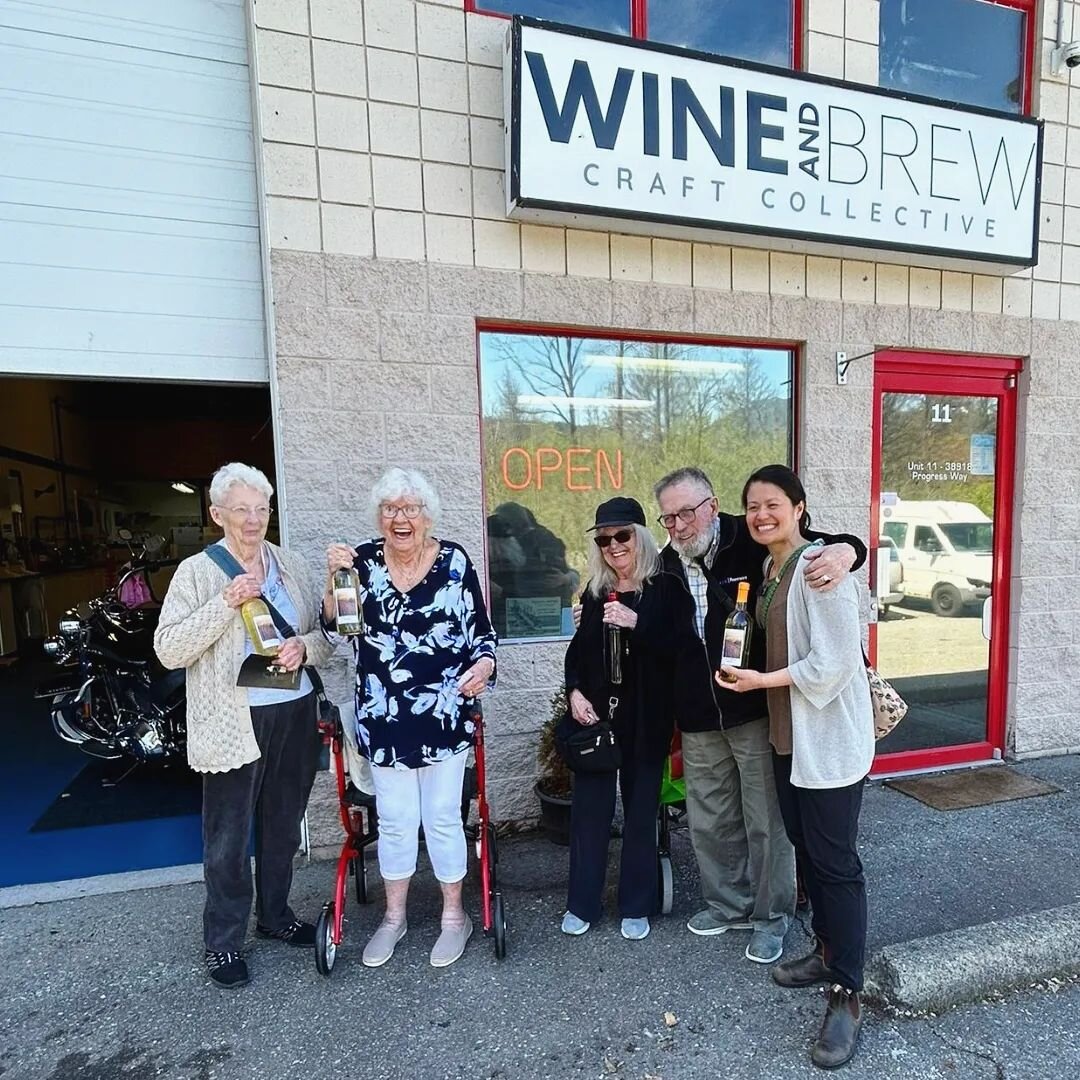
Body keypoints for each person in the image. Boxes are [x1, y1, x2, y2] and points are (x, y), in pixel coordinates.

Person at [653, 466, 865, 965]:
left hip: (754, 711)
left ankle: (773, 918)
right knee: (710, 820)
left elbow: (824, 543)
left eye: (686, 512)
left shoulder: (749, 538)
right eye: (668, 518)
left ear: (711, 504)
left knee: (766, 823)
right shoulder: (665, 564)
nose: (679, 525)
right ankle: (727, 906)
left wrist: (848, 551)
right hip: (699, 716)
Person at [716, 465, 873, 1070]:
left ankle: (847, 993)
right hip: (789, 741)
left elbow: (832, 665)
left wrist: (759, 681)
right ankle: (827, 952)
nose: (760, 515)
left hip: (828, 742)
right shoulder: (768, 569)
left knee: (836, 865)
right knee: (809, 855)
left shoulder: (819, 569)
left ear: (800, 508)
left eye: (772, 503)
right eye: (752, 505)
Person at [154, 462, 333, 989]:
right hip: (232, 717)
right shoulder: (197, 573)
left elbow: (324, 635)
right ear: (217, 514)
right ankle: (224, 941)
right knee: (228, 836)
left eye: (261, 508)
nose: (253, 519)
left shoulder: (291, 564)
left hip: (293, 708)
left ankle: (276, 917)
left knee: (283, 822)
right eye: (241, 509)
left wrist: (308, 647)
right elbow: (169, 650)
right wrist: (224, 603)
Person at [324, 468, 497, 969]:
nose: (401, 518)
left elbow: (482, 635)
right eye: (391, 509)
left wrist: (484, 666)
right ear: (380, 517)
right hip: (384, 715)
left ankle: (453, 918)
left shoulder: (454, 561)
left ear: (427, 515)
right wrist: (334, 582)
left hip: (443, 713)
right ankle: (393, 918)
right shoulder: (360, 562)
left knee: (443, 818)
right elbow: (337, 636)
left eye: (410, 508)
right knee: (396, 821)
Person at [561, 497, 687, 941]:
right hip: (598, 718)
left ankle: (637, 903)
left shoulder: (667, 587)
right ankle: (583, 903)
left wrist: (638, 623)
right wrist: (574, 692)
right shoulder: (596, 592)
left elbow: (684, 651)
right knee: (589, 814)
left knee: (639, 814)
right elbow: (577, 654)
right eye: (604, 538)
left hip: (647, 716)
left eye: (622, 535)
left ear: (641, 536)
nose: (613, 545)